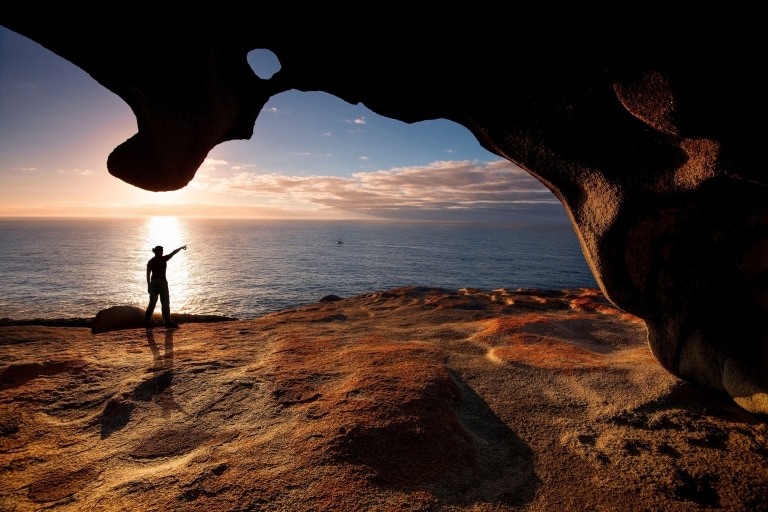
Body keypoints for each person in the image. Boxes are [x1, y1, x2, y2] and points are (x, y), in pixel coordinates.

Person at [144, 244, 186, 328]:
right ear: (159, 252)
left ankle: (147, 322)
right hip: (162, 283)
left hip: (154, 283)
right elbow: (173, 253)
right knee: (165, 303)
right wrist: (181, 248)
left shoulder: (151, 261)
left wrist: (149, 285)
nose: (162, 253)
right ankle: (167, 321)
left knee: (152, 304)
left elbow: (148, 274)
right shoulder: (163, 259)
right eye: (161, 251)